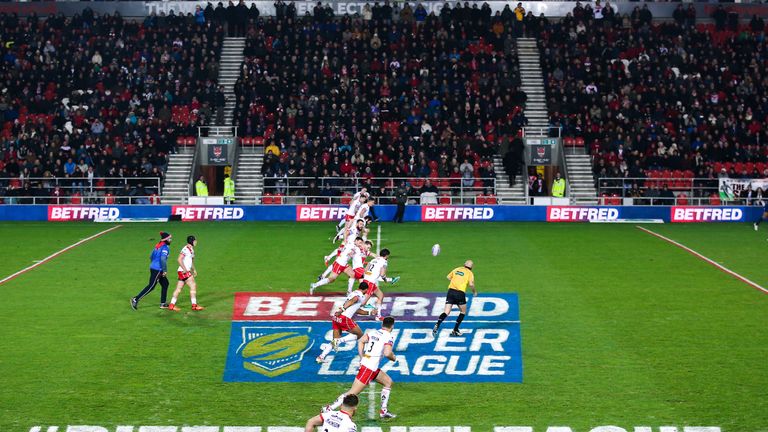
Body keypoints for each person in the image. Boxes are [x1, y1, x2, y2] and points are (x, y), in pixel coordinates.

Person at [323, 316, 398, 419]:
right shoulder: (389, 336)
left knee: (388, 382)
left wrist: (362, 357)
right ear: (392, 326)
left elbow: (361, 341)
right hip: (369, 368)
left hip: (371, 367)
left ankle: (383, 411)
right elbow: (387, 353)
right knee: (352, 393)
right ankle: (329, 409)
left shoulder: (374, 332)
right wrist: (393, 357)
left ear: (382, 324)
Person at [316, 281, 374, 363]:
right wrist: (342, 310)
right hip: (344, 318)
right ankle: (363, 357)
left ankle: (321, 357)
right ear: (365, 290)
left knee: (335, 340)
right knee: (360, 335)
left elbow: (356, 309)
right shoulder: (359, 296)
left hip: (336, 318)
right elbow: (352, 301)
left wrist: (369, 313)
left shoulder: (353, 292)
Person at [432, 260, 477, 337]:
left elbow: (448, 277)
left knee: (446, 312)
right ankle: (455, 330)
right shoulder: (470, 273)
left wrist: (456, 280)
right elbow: (471, 284)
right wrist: (474, 292)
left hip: (450, 292)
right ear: (471, 267)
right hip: (460, 293)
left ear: (464, 264)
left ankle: (437, 324)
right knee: (463, 312)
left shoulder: (457, 269)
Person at [131, 232, 172, 310]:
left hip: (154, 267)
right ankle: (136, 299)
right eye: (169, 239)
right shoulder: (165, 248)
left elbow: (151, 256)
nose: (171, 240)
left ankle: (163, 303)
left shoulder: (158, 245)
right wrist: (164, 270)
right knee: (151, 286)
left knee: (165, 284)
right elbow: (163, 259)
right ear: (166, 240)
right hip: (158, 270)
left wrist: (154, 263)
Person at [168, 236, 205, 311]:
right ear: (192, 241)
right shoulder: (186, 249)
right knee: (193, 285)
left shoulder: (191, 249)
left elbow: (190, 262)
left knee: (179, 288)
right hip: (183, 271)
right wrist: (185, 269)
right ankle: (194, 305)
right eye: (195, 241)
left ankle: (171, 305)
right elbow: (179, 259)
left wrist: (194, 270)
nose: (196, 242)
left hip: (182, 271)